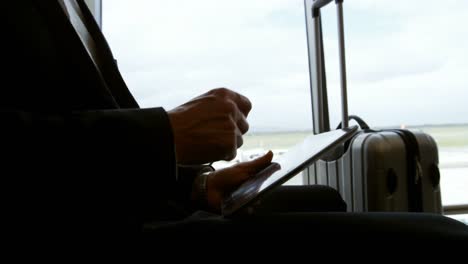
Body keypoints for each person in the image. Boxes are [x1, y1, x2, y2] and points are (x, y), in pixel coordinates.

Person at [3, 1, 468, 247]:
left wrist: (196, 187)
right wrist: (165, 134)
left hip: (122, 203)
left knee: (327, 197)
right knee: (447, 238)